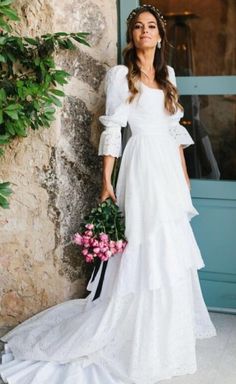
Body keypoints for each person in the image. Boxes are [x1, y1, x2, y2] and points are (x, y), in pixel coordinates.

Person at [0, 4, 216, 384]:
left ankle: (166, 337)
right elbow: (114, 131)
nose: (145, 32)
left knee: (170, 245)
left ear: (161, 36)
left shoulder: (167, 74)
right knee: (144, 244)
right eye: (138, 27)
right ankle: (133, 331)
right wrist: (106, 182)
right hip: (141, 166)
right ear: (132, 36)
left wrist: (185, 179)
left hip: (167, 169)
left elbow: (175, 132)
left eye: (152, 27)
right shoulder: (121, 75)